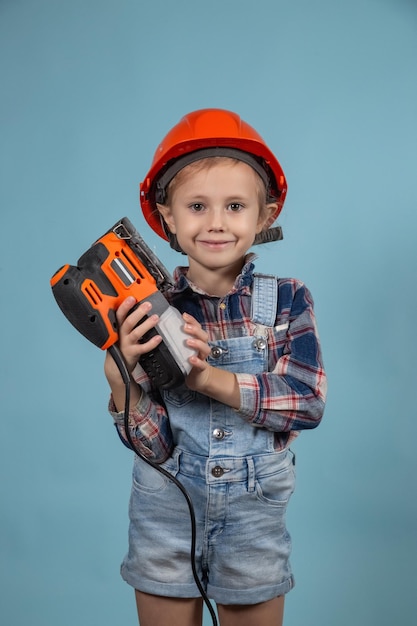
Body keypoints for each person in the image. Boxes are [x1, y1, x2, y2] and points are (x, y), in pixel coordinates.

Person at [104, 108, 327, 626]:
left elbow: (307, 401)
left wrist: (207, 378)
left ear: (264, 216)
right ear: (167, 218)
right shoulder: (146, 309)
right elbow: (154, 448)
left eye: (234, 205)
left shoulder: (289, 300)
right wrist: (123, 387)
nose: (217, 222)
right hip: (165, 512)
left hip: (253, 516)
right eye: (197, 205)